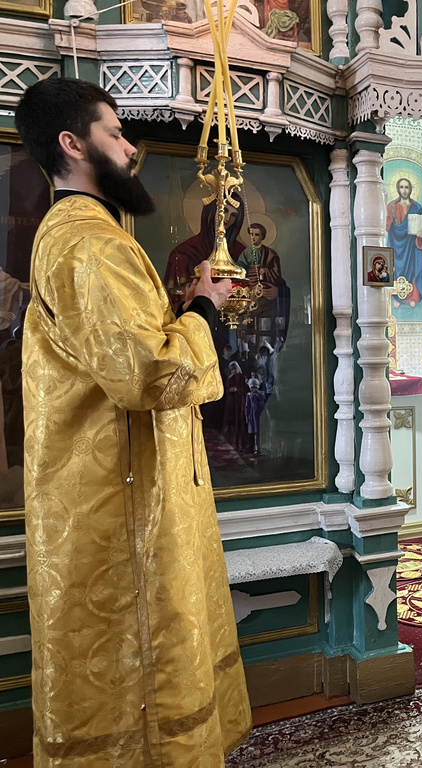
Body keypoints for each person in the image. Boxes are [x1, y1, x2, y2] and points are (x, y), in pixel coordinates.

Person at [15, 77, 251, 764]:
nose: (129, 149)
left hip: (115, 488)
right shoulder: (91, 244)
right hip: (121, 505)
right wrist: (204, 307)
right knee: (141, 680)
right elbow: (149, 373)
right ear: (73, 143)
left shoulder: (82, 235)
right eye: (115, 134)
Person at [238, 221, 290, 346]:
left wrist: (265, 271)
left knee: (265, 319)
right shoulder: (245, 253)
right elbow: (240, 270)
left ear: (262, 236)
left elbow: (276, 274)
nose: (253, 237)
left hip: (265, 289)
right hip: (249, 286)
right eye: (251, 234)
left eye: (257, 235)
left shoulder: (270, 254)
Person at [386, 177, 422, 308]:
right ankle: (397, 297)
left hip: (411, 245)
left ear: (410, 189)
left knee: (412, 268)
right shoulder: (391, 206)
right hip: (396, 243)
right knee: (396, 270)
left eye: (406, 187)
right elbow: (386, 226)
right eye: (401, 187)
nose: (404, 190)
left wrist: (421, 236)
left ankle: (412, 296)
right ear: (398, 189)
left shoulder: (417, 207)